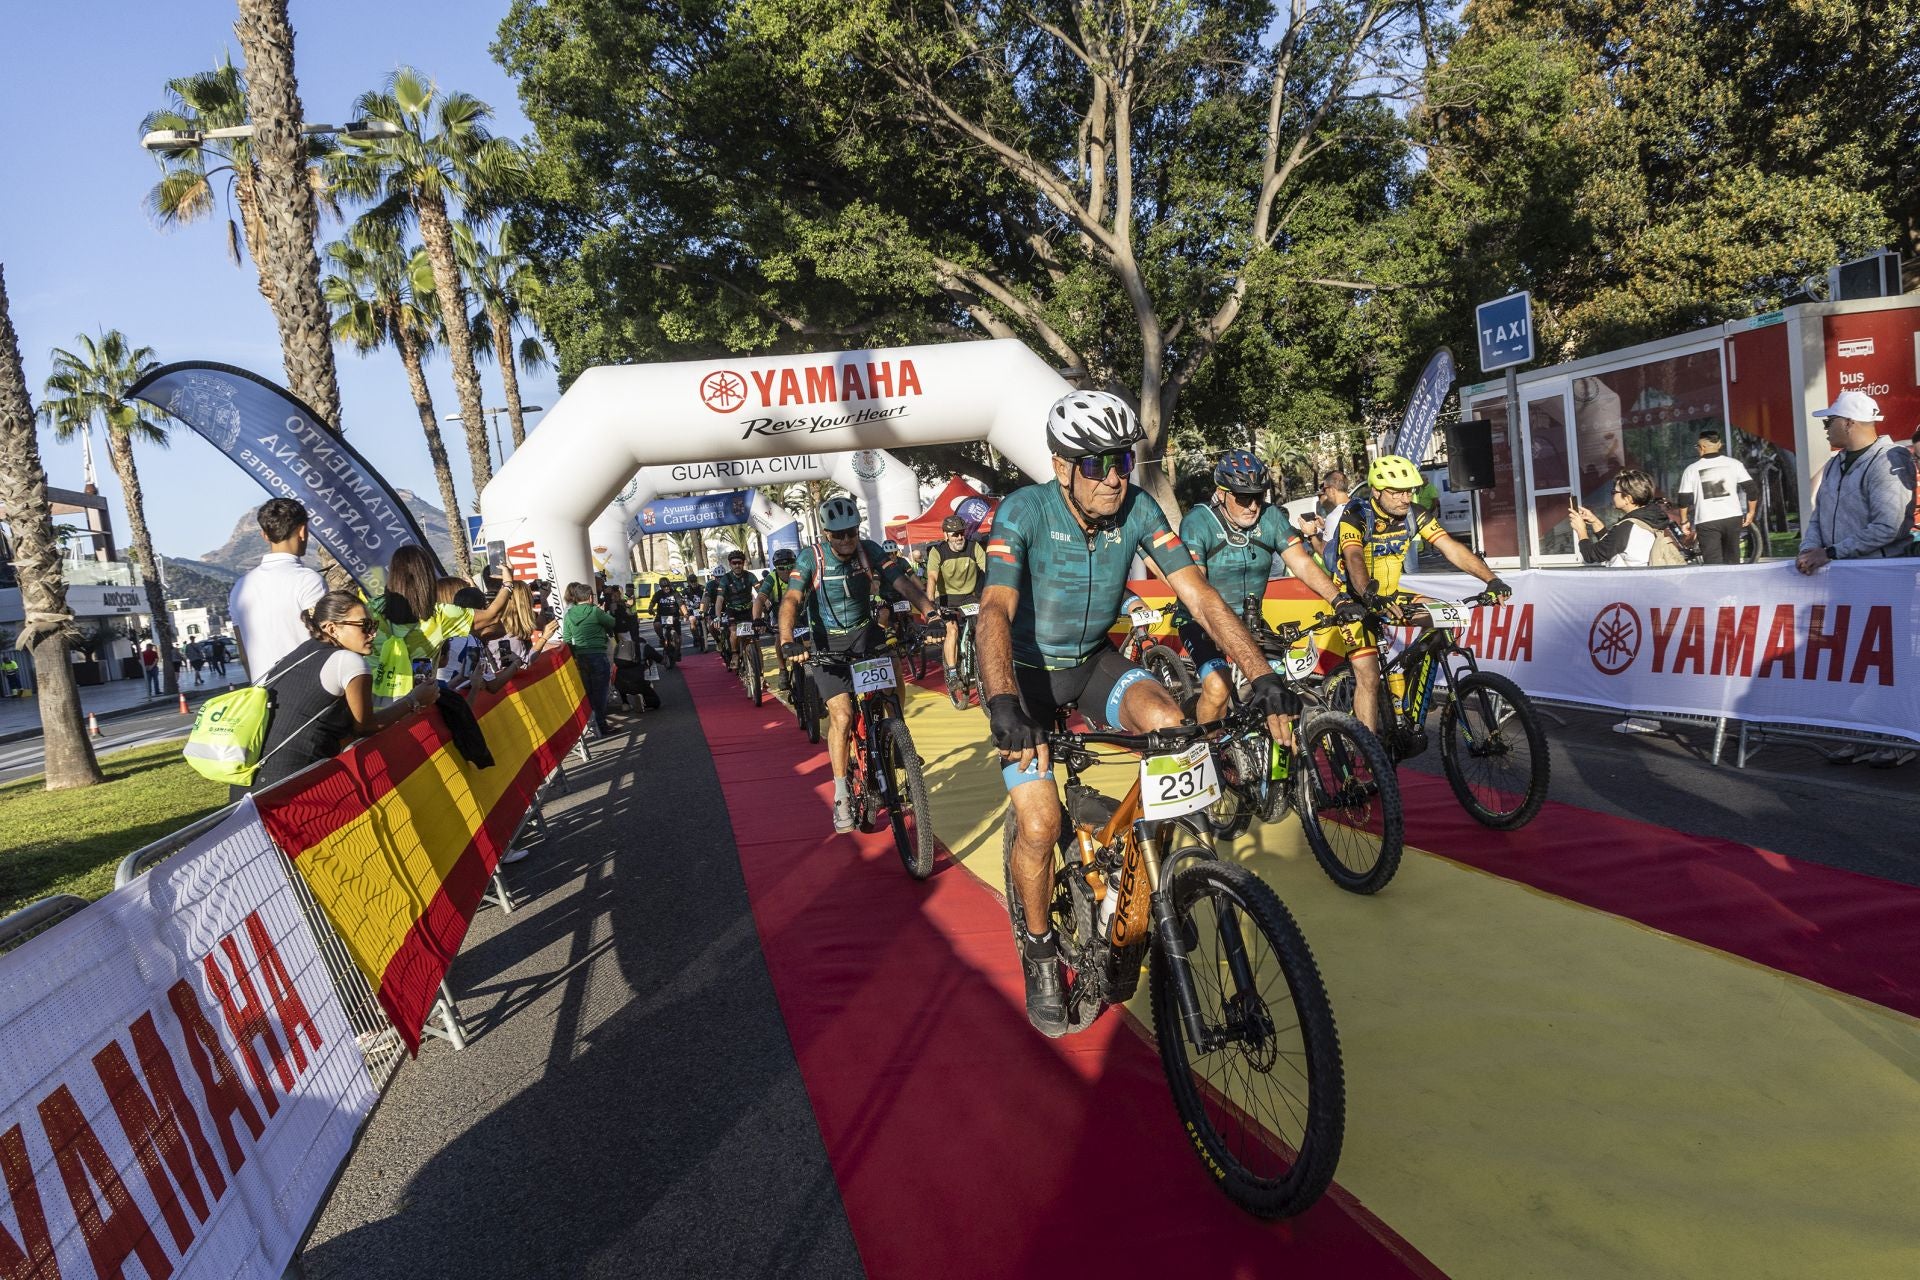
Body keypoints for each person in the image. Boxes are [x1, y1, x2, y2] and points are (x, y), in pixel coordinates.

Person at [978, 392, 1303, 1037]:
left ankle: (1146, 880)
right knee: (1040, 823)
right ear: (1062, 465)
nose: (1113, 475)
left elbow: (1201, 597)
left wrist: (1261, 675)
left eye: (1122, 458)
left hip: (1093, 660)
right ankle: (1041, 950)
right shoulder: (1025, 512)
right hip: (1029, 676)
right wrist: (1003, 702)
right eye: (1095, 463)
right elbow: (994, 610)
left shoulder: (1140, 509)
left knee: (1173, 730)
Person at [777, 496, 934, 833]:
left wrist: (930, 611)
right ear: (825, 533)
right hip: (826, 642)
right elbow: (791, 598)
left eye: (851, 533)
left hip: (865, 635)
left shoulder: (869, 550)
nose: (847, 541)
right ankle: (841, 795)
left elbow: (902, 582)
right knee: (843, 715)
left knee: (892, 675)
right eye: (839, 535)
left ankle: (896, 738)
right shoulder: (811, 558)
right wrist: (788, 641)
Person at [1178, 451, 1364, 723]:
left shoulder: (1271, 517)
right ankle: (1208, 755)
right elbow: (1197, 585)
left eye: (1259, 496)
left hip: (1251, 620)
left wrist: (1339, 600)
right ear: (1221, 493)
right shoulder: (1198, 522)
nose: (1253, 506)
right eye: (1243, 497)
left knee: (1280, 691)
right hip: (1201, 620)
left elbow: (1301, 563)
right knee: (1219, 688)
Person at [1334, 454, 1510, 738]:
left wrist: (1492, 579)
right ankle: (1369, 753)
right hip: (1355, 600)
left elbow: (1450, 548)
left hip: (1391, 596)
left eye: (1409, 490)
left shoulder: (1415, 514)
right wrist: (1369, 595)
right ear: (1377, 491)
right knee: (1368, 676)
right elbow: (1354, 558)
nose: (1406, 498)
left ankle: (1406, 678)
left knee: (1443, 617)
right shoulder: (1356, 515)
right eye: (1398, 492)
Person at [244, 591, 439, 796]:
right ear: (332, 628)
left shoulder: (300, 653)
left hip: (253, 781)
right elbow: (366, 726)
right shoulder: (349, 661)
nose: (373, 634)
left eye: (374, 626)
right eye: (365, 626)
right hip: (292, 784)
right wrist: (413, 699)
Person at [366, 545, 512, 709]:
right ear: (428, 577)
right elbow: (492, 616)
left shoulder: (371, 610)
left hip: (372, 711)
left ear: (393, 574)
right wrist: (507, 584)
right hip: (414, 709)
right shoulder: (440, 615)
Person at [1796, 391, 1915, 572]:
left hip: (1882, 574)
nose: (1825, 428)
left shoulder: (1888, 460)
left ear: (1848, 423)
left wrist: (1830, 553)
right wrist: (1808, 551)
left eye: (1828, 421)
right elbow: (1818, 517)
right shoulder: (1834, 463)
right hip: (1840, 572)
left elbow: (1888, 527)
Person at [227, 498, 328, 682]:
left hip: (262, 694)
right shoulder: (308, 580)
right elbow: (327, 640)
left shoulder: (240, 587)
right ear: (303, 531)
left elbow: (243, 652)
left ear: (264, 535)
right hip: (310, 689)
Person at [1675, 430, 1757, 564]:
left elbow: (1683, 499)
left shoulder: (1691, 469)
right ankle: (1735, 584)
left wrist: (1684, 521)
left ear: (1702, 447)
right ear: (1719, 445)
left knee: (1713, 565)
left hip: (1707, 520)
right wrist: (1751, 512)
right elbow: (1752, 490)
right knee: (1733, 561)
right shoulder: (1734, 464)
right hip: (1732, 517)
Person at [925, 515, 988, 688]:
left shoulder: (974, 547)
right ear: (945, 535)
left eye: (961, 533)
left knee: (982, 626)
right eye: (954, 534)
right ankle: (952, 672)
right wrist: (930, 605)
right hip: (945, 596)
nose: (959, 537)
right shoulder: (938, 552)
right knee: (952, 630)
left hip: (969, 595)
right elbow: (931, 577)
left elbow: (988, 569)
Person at [1570, 469, 1680, 567]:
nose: (1612, 495)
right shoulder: (1651, 518)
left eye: (1614, 492)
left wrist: (1581, 530)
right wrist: (1595, 521)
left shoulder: (1627, 527)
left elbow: (1591, 555)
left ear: (1628, 499)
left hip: (1633, 586)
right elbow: (1613, 544)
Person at [560, 581, 618, 736]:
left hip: (581, 655)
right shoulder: (594, 611)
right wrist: (603, 612)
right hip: (598, 654)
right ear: (590, 598)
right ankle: (601, 724)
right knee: (601, 692)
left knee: (588, 691)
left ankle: (591, 724)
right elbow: (612, 622)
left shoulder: (569, 614)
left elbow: (566, 638)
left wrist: (575, 656)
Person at [706, 551, 759, 660]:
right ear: (730, 564)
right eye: (734, 563)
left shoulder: (750, 576)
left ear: (743, 563)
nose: (737, 565)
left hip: (748, 609)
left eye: (739, 563)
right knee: (733, 630)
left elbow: (761, 592)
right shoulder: (725, 579)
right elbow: (719, 600)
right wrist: (717, 617)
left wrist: (768, 605)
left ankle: (760, 674)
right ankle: (734, 654)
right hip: (732, 610)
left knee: (756, 644)